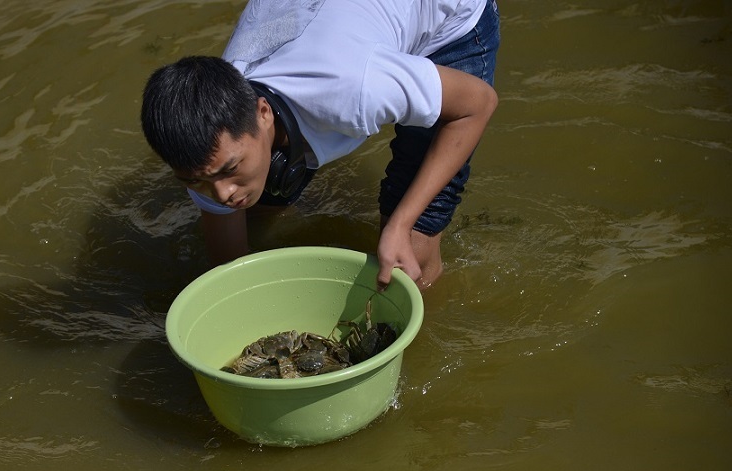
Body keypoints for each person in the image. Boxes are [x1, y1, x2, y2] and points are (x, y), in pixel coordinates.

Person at [141, 0, 499, 291]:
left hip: (447, 23)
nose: (220, 194)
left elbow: (477, 105)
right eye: (197, 182)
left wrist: (401, 225)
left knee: (409, 263)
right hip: (329, 24)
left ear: (262, 112)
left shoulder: (351, 90)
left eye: (230, 170)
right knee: (258, 214)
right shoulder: (204, 150)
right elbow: (230, 274)